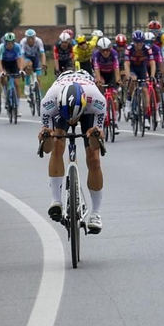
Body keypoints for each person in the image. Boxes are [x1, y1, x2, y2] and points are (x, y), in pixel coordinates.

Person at [40, 71, 107, 233]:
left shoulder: (97, 101)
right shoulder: (49, 102)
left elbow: (96, 145)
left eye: (74, 118)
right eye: (69, 119)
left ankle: (96, 213)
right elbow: (47, 148)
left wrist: (95, 133)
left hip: (87, 111)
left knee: (94, 158)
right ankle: (56, 201)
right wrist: (46, 136)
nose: (72, 122)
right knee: (56, 144)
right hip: (61, 106)